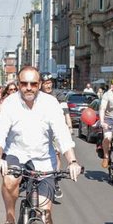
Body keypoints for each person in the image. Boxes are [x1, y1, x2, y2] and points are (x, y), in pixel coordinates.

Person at [0, 65, 83, 224]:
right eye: (24, 83)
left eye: (33, 83)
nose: (29, 88)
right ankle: (10, 219)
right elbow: (0, 133)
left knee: (45, 212)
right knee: (10, 180)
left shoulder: (50, 104)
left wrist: (72, 161)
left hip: (43, 159)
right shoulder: (10, 103)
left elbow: (62, 134)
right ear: (18, 84)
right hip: (17, 154)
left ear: (40, 84)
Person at [40, 72, 72, 201]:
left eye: (49, 83)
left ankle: (55, 180)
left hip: (55, 130)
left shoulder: (58, 95)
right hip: (41, 130)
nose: (48, 85)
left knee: (56, 155)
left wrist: (69, 126)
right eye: (45, 83)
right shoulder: (38, 96)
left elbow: (66, 112)